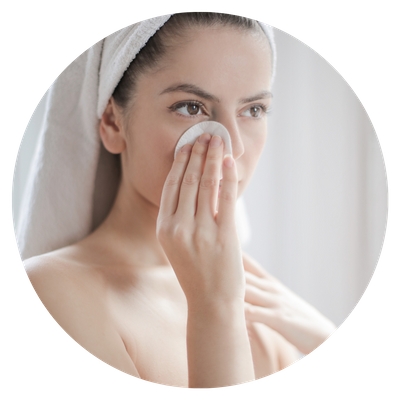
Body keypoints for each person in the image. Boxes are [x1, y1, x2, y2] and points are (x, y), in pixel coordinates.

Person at [22, 11, 337, 390]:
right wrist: (215, 310)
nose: (232, 148)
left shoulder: (262, 300)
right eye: (191, 107)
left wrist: (323, 336)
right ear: (112, 123)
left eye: (253, 110)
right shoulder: (54, 293)